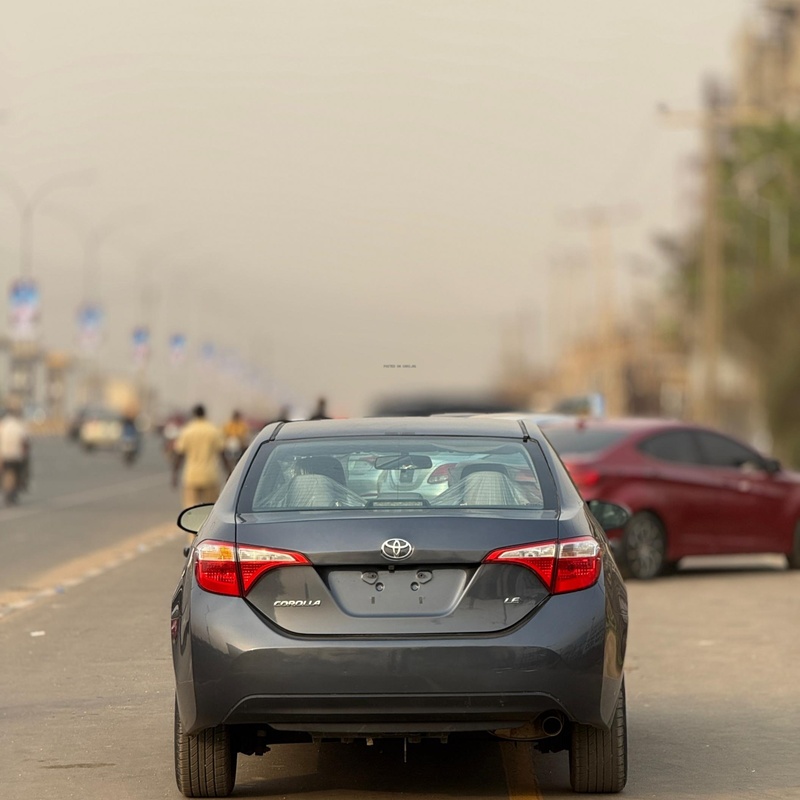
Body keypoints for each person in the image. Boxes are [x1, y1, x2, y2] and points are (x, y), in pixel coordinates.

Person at [172, 404, 225, 508]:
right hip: (210, 475)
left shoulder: (187, 430)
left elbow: (179, 455)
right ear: (205, 414)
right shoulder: (213, 430)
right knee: (210, 509)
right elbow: (222, 453)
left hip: (191, 476)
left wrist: (174, 474)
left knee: (190, 509)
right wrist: (230, 472)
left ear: (194, 415)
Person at [0, 404, 30, 506]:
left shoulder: (3, 425)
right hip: (17, 455)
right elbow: (25, 440)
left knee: (7, 474)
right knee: (17, 474)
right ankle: (13, 492)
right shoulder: (19, 425)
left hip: (5, 454)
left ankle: (9, 493)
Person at [221, 410, 249, 474]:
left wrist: (242, 443)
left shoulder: (242, 425)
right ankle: (228, 468)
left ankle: (240, 465)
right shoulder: (228, 425)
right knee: (222, 453)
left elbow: (244, 437)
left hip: (239, 445)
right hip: (229, 445)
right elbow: (225, 435)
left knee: (246, 452)